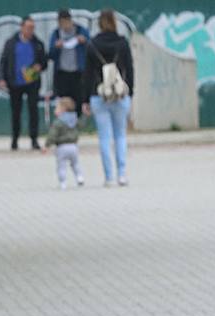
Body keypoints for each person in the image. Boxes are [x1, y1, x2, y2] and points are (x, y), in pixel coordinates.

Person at [83, 9, 135, 186]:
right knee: (120, 136)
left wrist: (85, 99)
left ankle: (108, 177)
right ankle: (122, 174)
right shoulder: (122, 43)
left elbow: (88, 74)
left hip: (99, 95)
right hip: (120, 94)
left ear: (99, 23)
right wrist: (131, 93)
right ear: (114, 22)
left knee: (104, 137)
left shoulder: (92, 44)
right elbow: (130, 68)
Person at [0, 17, 48, 151]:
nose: (31, 30)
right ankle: (15, 139)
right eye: (28, 27)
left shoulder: (37, 44)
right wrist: (2, 78)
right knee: (16, 112)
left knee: (33, 111)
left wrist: (39, 67)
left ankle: (34, 139)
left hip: (32, 82)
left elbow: (44, 62)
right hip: (15, 82)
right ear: (22, 27)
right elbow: (3, 61)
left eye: (33, 28)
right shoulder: (11, 43)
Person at [47, 8, 90, 112]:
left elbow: (91, 48)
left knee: (79, 99)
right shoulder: (56, 34)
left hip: (78, 72)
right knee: (64, 102)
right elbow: (50, 55)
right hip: (62, 73)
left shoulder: (81, 31)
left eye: (66, 22)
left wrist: (84, 42)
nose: (64, 25)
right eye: (61, 23)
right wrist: (56, 47)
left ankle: (78, 123)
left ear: (70, 20)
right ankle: (65, 124)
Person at [45, 96, 85, 189]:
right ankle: (79, 177)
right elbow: (81, 125)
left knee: (61, 166)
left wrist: (47, 145)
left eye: (57, 108)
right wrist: (85, 116)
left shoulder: (58, 122)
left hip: (61, 147)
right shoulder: (74, 119)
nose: (55, 110)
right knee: (75, 164)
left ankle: (63, 182)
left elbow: (52, 135)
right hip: (74, 147)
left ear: (63, 109)